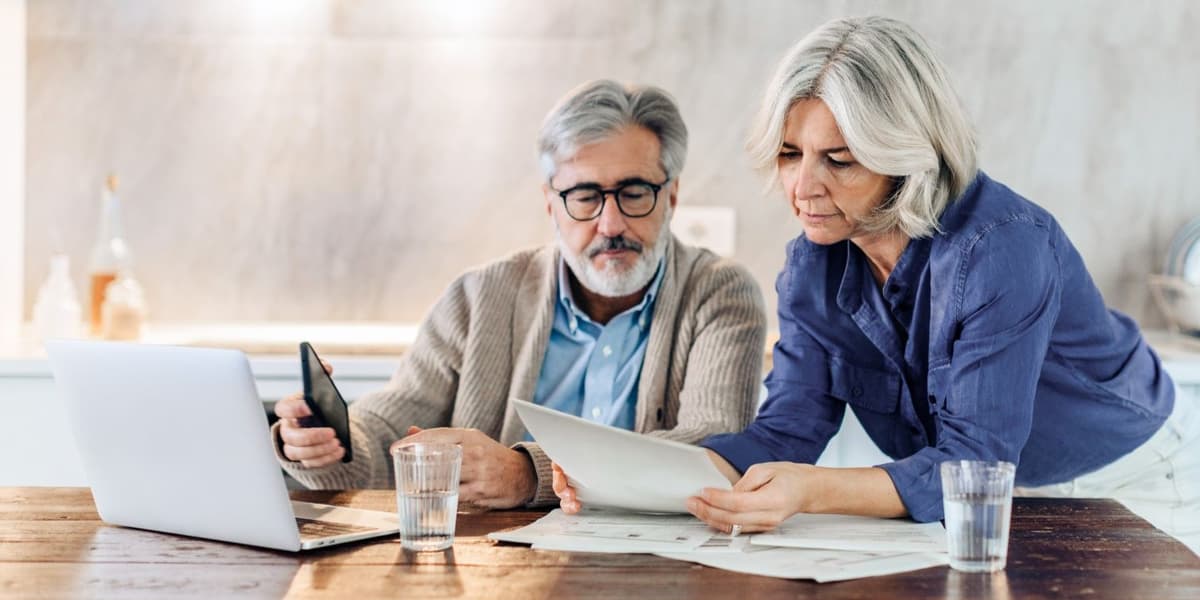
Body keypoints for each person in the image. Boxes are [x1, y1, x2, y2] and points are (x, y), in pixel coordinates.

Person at [555, 16, 1199, 554]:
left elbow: (976, 463)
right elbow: (785, 433)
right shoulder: (813, 265)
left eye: (838, 159)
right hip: (972, 496)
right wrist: (628, 478)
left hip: (1127, 479)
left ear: (907, 155)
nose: (803, 187)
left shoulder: (1003, 248)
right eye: (790, 154)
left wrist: (809, 490)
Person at [272, 79, 768, 509]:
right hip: (494, 566)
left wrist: (530, 474)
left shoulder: (720, 293)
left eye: (634, 193)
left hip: (654, 565)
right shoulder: (478, 297)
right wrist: (332, 442)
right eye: (585, 197)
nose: (610, 224)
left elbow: (712, 449)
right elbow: (391, 425)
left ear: (672, 195)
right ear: (550, 202)